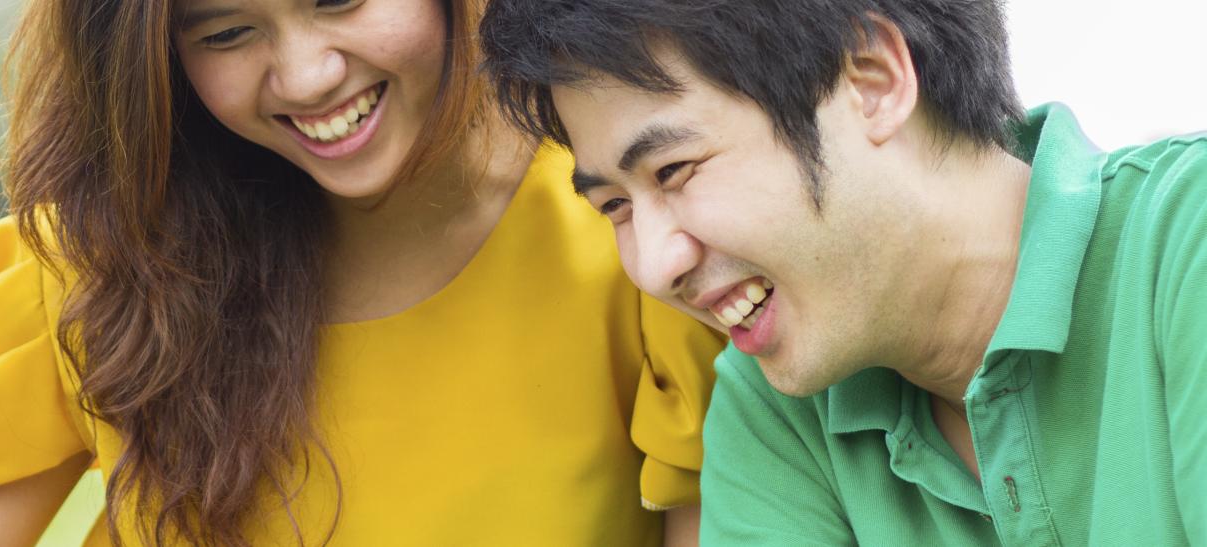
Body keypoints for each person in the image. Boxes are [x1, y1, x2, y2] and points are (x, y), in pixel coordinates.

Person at [0, 0, 724, 545]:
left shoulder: (637, 243)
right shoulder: (98, 266)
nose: (309, 75)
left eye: (338, 0)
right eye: (228, 31)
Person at [479, 0, 1207, 544]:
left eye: (674, 169)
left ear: (872, 80)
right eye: (614, 206)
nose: (653, 263)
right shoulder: (773, 411)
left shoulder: (1186, 244)